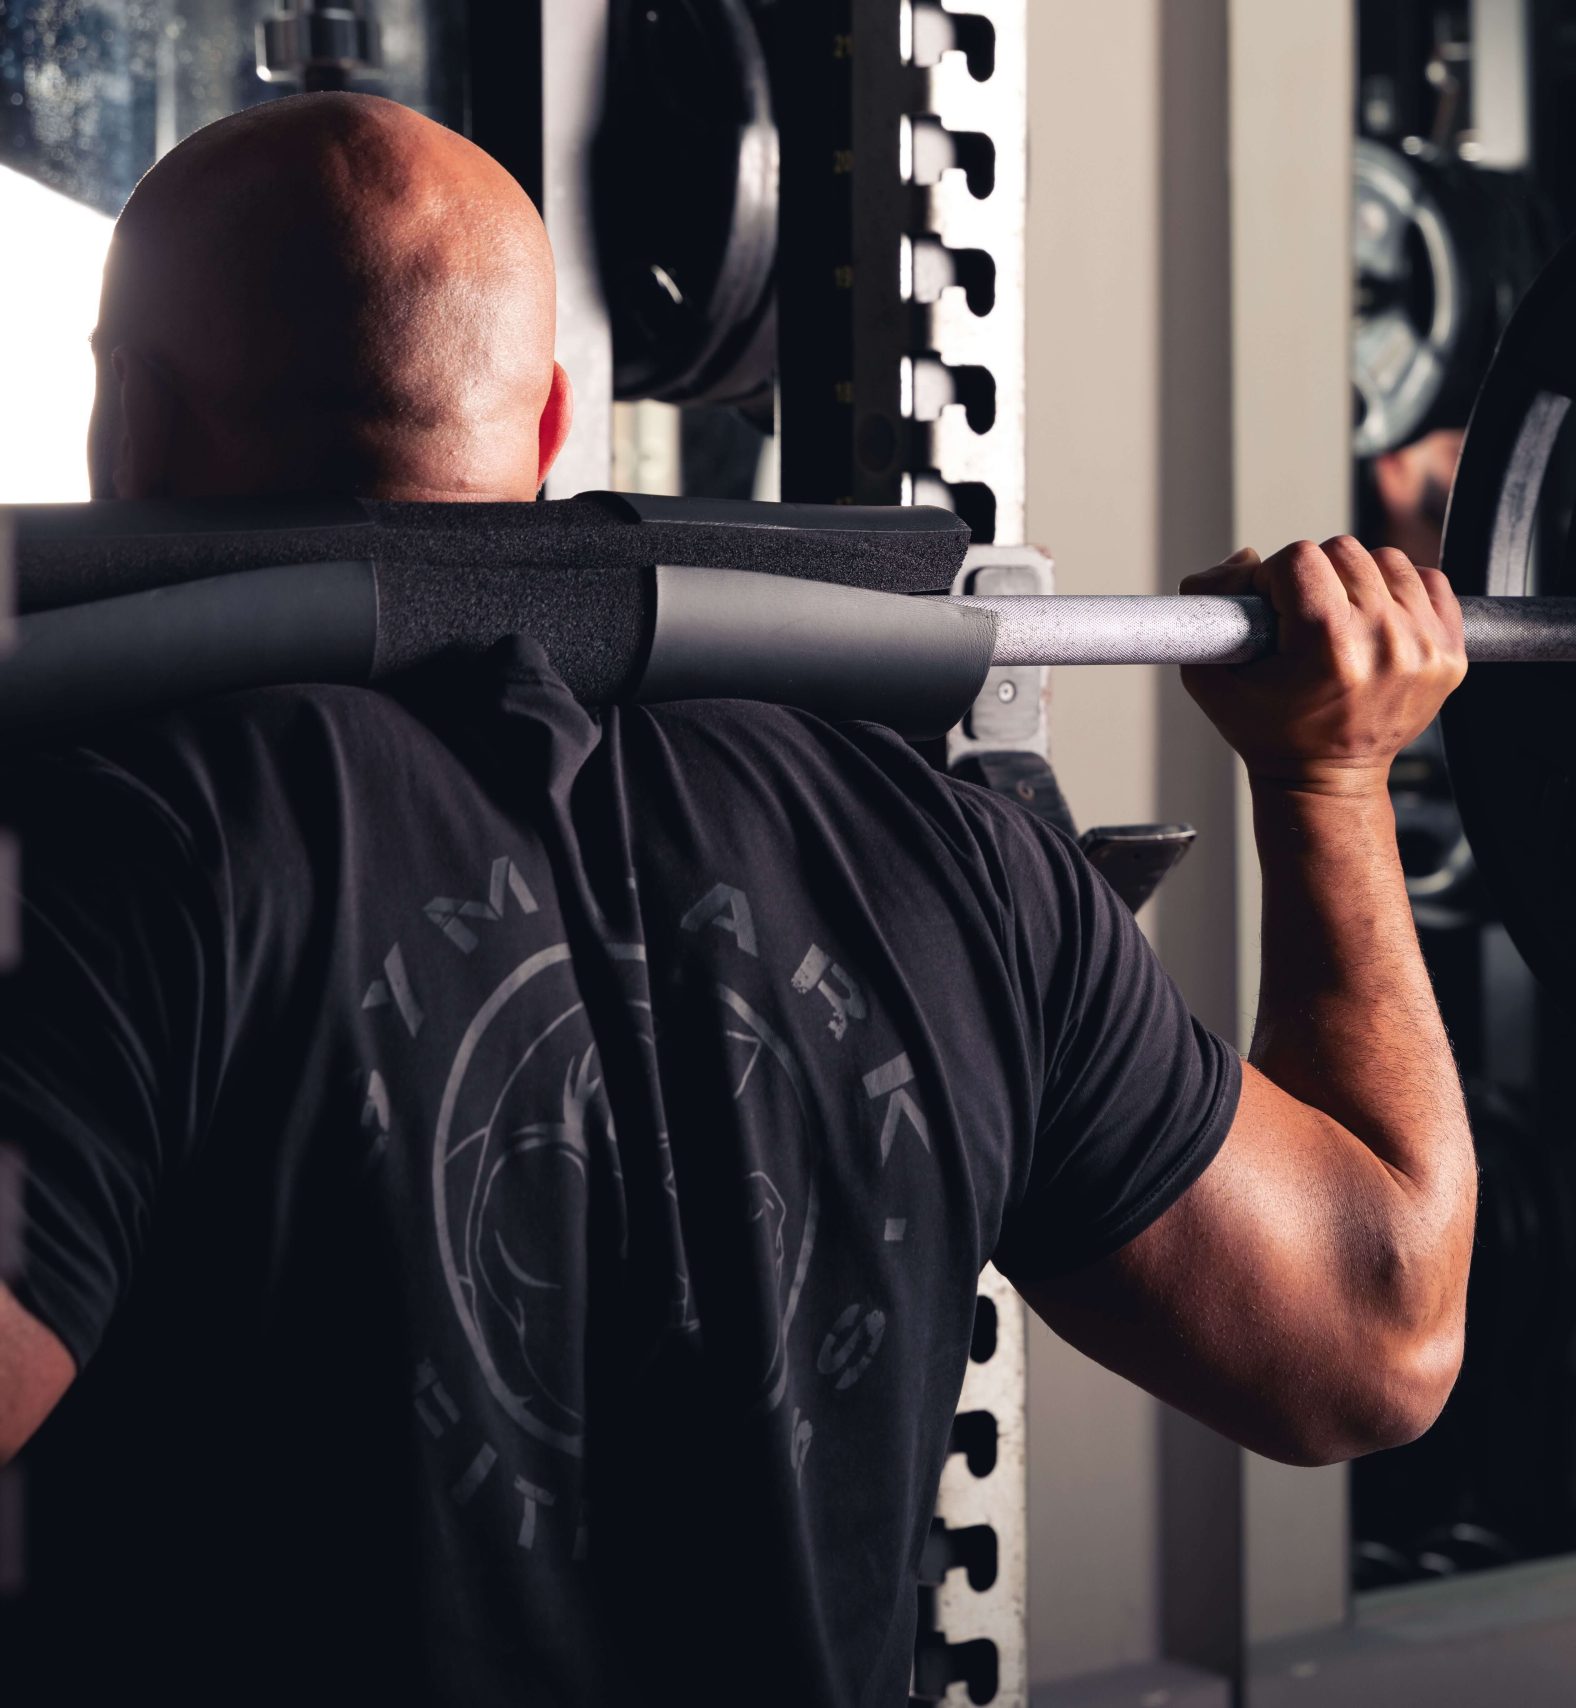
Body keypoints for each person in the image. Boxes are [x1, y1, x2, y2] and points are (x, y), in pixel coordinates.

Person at [0, 93, 1475, 1704]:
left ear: (125, 421)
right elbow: (1377, 1340)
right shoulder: (946, 858)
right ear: (554, 422)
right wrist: (1329, 785)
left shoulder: (115, 859)